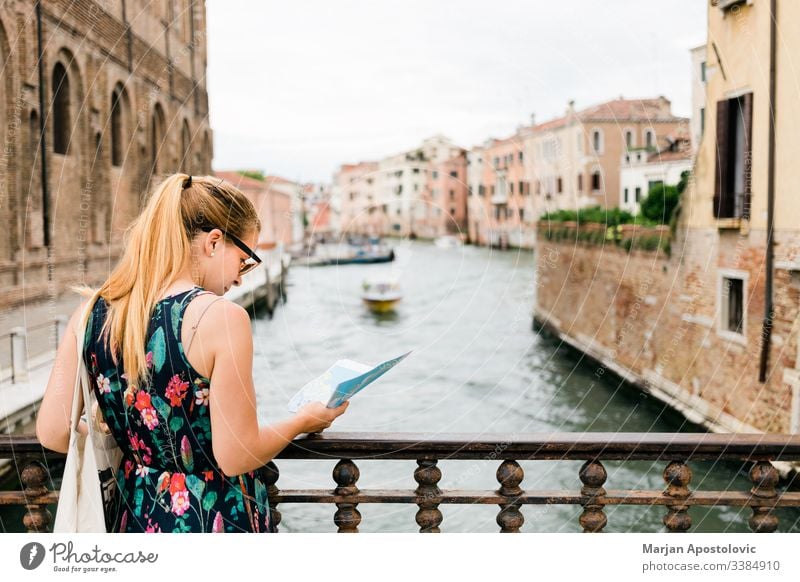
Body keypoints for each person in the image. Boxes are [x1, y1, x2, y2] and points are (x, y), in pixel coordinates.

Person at [37, 173, 348, 533]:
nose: (241, 278)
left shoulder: (90, 313)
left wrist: (132, 434)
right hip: (212, 518)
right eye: (244, 260)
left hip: (133, 516)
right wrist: (303, 421)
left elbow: (53, 433)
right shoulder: (222, 317)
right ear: (214, 242)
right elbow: (235, 455)